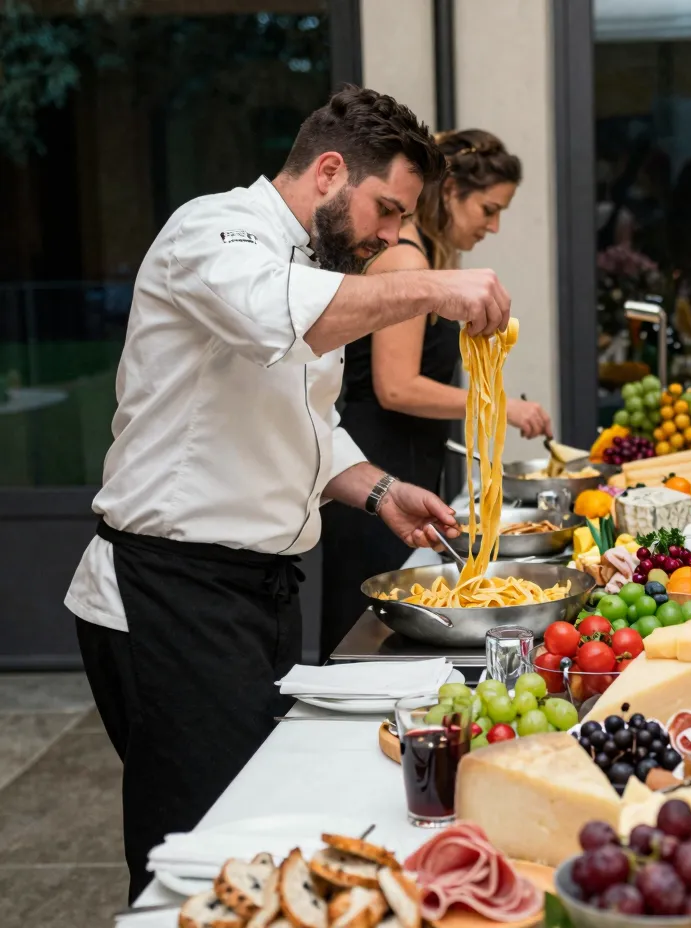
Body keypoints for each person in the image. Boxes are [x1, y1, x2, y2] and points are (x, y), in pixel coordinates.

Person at [64, 86, 511, 901]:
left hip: (254, 593)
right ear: (329, 171)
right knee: (202, 857)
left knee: (255, 829)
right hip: (171, 591)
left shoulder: (317, 266)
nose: (390, 237)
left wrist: (379, 489)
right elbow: (281, 319)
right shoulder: (213, 230)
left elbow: (302, 422)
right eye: (386, 211)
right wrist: (435, 288)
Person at [319, 129, 552, 659]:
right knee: (370, 638)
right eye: (489, 210)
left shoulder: (427, 257)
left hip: (403, 459)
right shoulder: (406, 260)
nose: (493, 226)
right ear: (450, 193)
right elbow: (396, 386)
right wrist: (502, 406)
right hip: (377, 458)